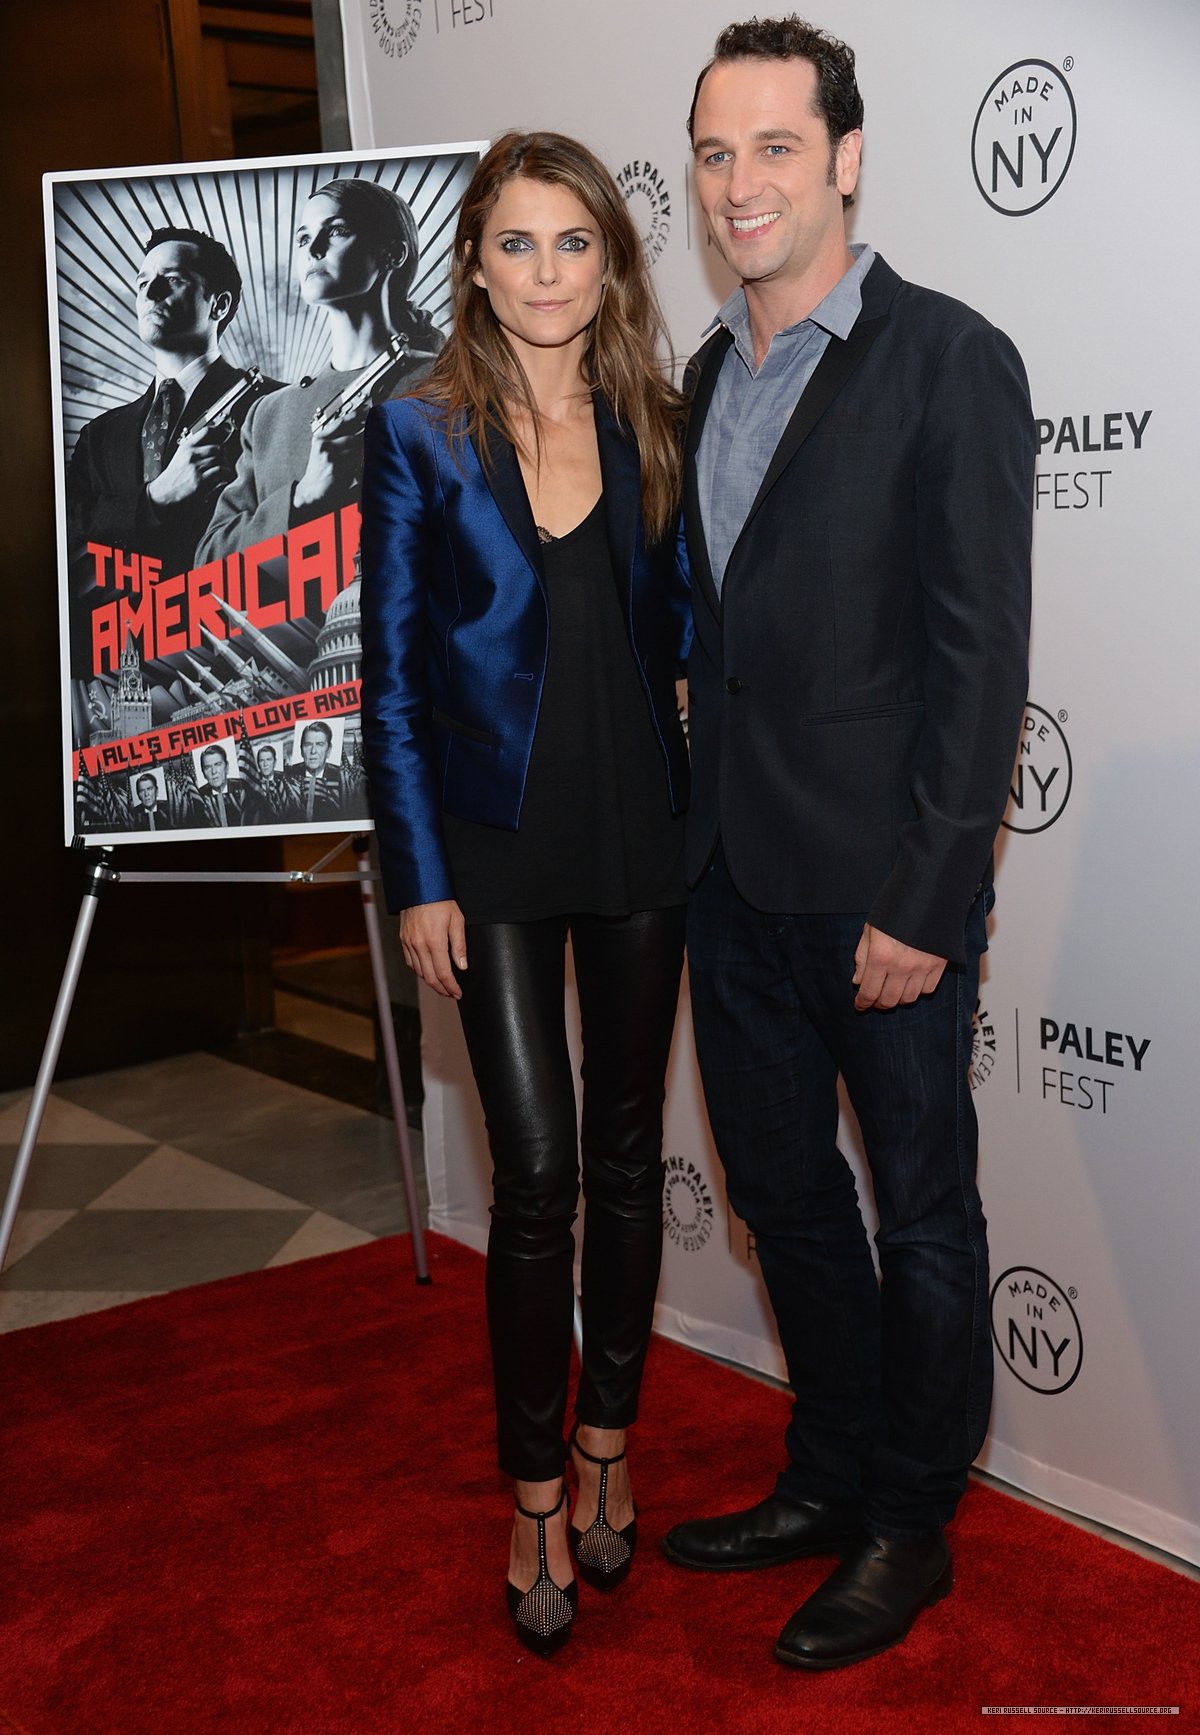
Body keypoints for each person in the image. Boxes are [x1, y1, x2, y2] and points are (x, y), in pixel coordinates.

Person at [660, 16, 1034, 1671]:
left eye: (776, 149)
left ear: (848, 157)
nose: (743, 185)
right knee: (785, 1198)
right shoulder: (701, 374)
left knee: (925, 1217)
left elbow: (981, 660)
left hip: (884, 898)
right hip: (730, 884)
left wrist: (931, 899)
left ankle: (908, 1522)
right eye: (717, 153)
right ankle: (825, 1468)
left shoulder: (948, 358)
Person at [359, 132, 691, 1657]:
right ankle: (535, 1485)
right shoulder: (417, 430)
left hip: (638, 835)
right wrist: (416, 875)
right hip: (489, 851)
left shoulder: (652, 420)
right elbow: (393, 687)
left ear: (611, 260)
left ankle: (613, 1435)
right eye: (517, 243)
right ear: (475, 263)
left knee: (629, 1160)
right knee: (539, 1175)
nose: (547, 271)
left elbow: (678, 634)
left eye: (574, 243)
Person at [198, 177, 442, 564]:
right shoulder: (268, 415)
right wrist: (304, 496)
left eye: (338, 231)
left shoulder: (451, 384)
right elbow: (210, 561)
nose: (313, 249)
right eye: (302, 237)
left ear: (392, 254)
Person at [67, 227, 272, 591]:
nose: (150, 291)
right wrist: (155, 498)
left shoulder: (273, 405)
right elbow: (66, 539)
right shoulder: (98, 437)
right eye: (142, 281)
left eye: (172, 279)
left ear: (219, 305)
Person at [282, 720, 348, 822]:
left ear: (329, 750)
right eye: (308, 745)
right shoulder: (287, 776)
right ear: (301, 750)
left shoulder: (343, 779)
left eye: (320, 744)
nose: (313, 751)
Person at [192, 742, 246, 827]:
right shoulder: (198, 799)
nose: (214, 771)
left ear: (227, 767)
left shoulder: (243, 788)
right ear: (203, 773)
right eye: (208, 767)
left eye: (217, 764)